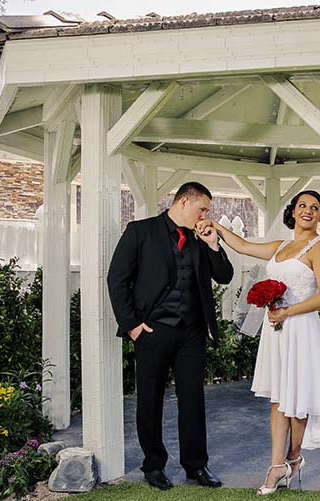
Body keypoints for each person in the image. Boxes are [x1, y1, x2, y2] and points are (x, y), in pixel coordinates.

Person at [198, 190, 320, 495]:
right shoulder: (280, 246)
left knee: (298, 402)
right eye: (303, 205)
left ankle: (294, 458)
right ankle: (275, 467)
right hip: (277, 333)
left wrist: (288, 310)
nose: (308, 210)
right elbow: (244, 246)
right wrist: (217, 227)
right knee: (278, 400)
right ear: (293, 211)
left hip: (300, 328)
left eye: (315, 207)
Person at [107, 182, 234, 491]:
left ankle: (196, 467)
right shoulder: (140, 231)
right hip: (153, 330)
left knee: (193, 399)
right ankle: (153, 465)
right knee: (150, 399)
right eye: (202, 209)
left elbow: (225, 276)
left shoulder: (201, 238)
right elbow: (117, 279)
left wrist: (213, 244)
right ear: (183, 202)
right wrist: (133, 326)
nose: (206, 215)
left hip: (191, 331)